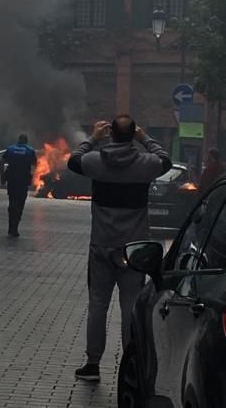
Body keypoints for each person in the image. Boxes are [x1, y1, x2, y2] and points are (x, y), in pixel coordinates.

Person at [67, 115, 172, 383]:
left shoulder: (96, 161)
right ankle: (131, 362)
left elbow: (73, 160)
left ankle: (92, 364)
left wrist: (93, 137)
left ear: (110, 133)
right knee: (130, 307)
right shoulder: (146, 164)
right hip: (133, 250)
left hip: (101, 245)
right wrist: (144, 137)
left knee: (97, 306)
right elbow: (166, 160)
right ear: (133, 134)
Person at [0, 133, 37, 237]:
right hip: (23, 182)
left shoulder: (11, 149)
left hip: (12, 181)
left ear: (18, 140)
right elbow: (35, 166)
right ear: (26, 141)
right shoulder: (30, 151)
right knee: (20, 204)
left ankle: (11, 227)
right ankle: (15, 227)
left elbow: (1, 162)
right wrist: (32, 177)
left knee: (12, 203)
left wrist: (2, 176)